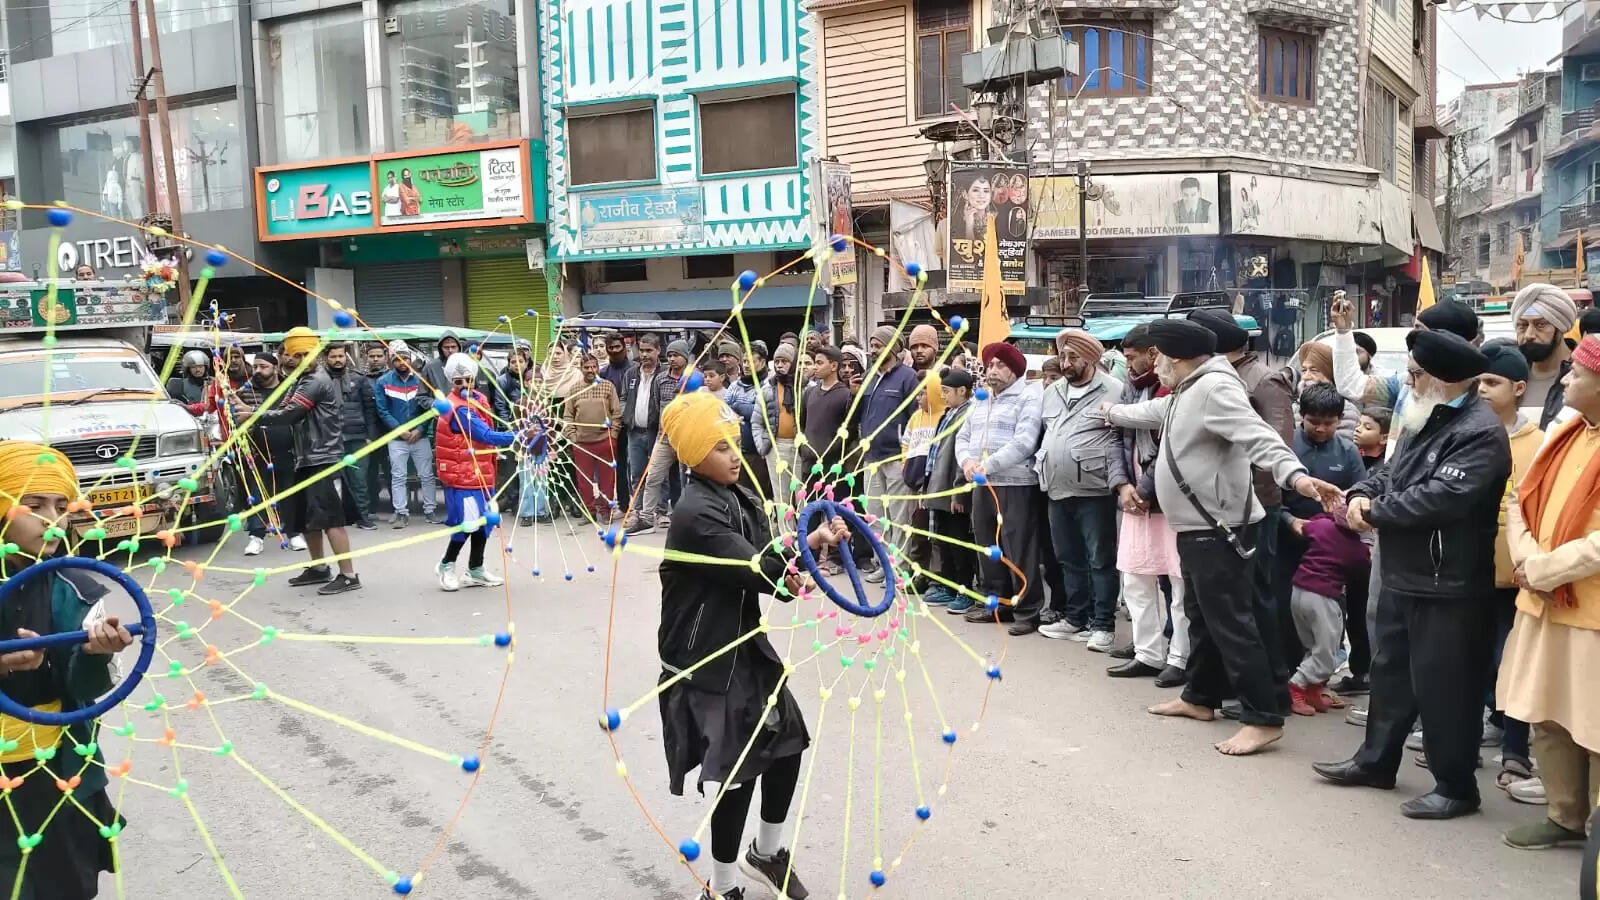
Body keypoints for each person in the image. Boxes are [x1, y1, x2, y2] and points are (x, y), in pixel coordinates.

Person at [1105, 319, 1342, 756]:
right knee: (1203, 617)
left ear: (1176, 358)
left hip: (1221, 528)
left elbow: (1260, 438)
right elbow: (1150, 413)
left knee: (1232, 623)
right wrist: (1109, 409)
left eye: (1157, 356)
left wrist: (1299, 478)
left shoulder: (1216, 389)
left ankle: (1263, 717)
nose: (1153, 364)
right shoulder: (1187, 391)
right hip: (1199, 527)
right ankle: (1200, 697)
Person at [655, 390, 849, 900]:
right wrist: (805, 549)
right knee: (738, 773)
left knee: (787, 746)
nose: (735, 457)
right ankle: (720, 890)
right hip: (705, 659)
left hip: (743, 643)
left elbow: (775, 571)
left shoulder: (737, 495)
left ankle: (766, 853)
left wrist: (816, 543)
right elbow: (759, 568)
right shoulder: (694, 512)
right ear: (695, 456)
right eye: (721, 448)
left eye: (735, 444)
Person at [1314, 329, 1510, 818]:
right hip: (1407, 571)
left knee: (1445, 686)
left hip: (1450, 583)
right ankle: (1375, 762)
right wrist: (1361, 490)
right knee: (1392, 674)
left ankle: (1455, 786)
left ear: (1442, 379)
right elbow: (1393, 472)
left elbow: (1440, 498)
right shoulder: (1429, 417)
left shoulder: (1479, 431)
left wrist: (1373, 511)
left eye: (1415, 374)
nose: (1407, 381)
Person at [0, 441, 135, 898]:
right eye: (32, 505)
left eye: (61, 505)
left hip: (59, 768)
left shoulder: (75, 590)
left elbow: (83, 691)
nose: (50, 518)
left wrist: (95, 655)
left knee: (64, 879)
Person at [1498, 333, 1600, 850]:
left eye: (1576, 375)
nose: (1565, 380)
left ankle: (1596, 835)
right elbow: (1521, 498)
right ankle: (1564, 816)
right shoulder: (1566, 432)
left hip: (1591, 611)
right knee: (1548, 712)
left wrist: (1543, 568)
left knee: (1596, 723)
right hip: (1542, 599)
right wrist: (1528, 559)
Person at [1097, 324, 1189, 684]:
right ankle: (1148, 652)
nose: (1128, 364)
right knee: (1137, 578)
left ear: (1155, 354)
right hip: (1133, 498)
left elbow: (1170, 446)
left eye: (1132, 357)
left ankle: (1180, 657)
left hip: (1168, 500)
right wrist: (1122, 486)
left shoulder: (1173, 389)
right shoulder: (1129, 388)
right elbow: (1115, 436)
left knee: (1179, 584)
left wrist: (1145, 490)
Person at [246, 327, 363, 594]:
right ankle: (319, 567)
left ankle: (348, 575)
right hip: (304, 458)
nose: (292, 360)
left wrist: (251, 414)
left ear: (310, 354)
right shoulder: (299, 380)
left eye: (298, 355)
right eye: (289, 355)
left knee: (332, 519)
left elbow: (288, 414)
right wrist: (251, 409)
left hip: (323, 458)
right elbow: (281, 406)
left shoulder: (315, 382)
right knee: (306, 519)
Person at [1476, 341, 1543, 794]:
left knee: (1512, 662)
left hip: (1517, 580)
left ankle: (1516, 753)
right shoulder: (1466, 432)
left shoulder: (1541, 445)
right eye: (1479, 380)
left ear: (1519, 388)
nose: (1482, 389)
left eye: (1492, 382)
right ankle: (1483, 724)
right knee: (1475, 660)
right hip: (1466, 572)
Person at [1036, 329, 1122, 650]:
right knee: (1068, 558)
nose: (1066, 363)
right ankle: (1075, 619)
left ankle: (1103, 625)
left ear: (1091, 358)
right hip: (1056, 488)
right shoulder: (1052, 391)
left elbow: (1120, 441)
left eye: (1073, 357)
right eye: (1063, 356)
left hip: (1094, 490)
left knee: (1100, 560)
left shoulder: (1113, 390)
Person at [1274, 383, 1365, 684]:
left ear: (1340, 420)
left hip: (1330, 551)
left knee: (1328, 617)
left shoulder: (1348, 452)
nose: (1322, 429)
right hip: (1287, 540)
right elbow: (1270, 498)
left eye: (1329, 423)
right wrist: (1290, 521)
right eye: (1315, 423)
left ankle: (1317, 681)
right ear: (1302, 416)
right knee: (1286, 609)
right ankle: (1289, 675)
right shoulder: (1286, 447)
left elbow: (1359, 494)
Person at [955, 342, 1046, 635]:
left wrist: (988, 465)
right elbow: (963, 436)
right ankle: (997, 603)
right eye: (989, 365)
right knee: (988, 546)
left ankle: (1027, 610)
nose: (992, 370)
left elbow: (1024, 442)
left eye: (999, 365)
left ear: (1015, 370)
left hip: (1015, 484)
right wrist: (967, 462)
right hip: (983, 485)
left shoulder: (1028, 397)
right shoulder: (982, 400)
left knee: (1019, 547)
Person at [432, 354, 516, 591]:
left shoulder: (478, 398)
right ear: (451, 382)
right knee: (466, 525)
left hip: (481, 471)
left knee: (484, 524)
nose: (464, 385)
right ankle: (446, 565)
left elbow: (489, 431)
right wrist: (520, 435)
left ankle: (476, 569)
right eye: (458, 381)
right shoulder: (458, 408)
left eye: (468, 379)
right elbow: (486, 435)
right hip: (463, 476)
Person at [1330, 293, 1480, 414]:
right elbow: (1352, 385)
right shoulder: (1404, 385)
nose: (1412, 337)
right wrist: (1343, 331)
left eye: (1419, 330)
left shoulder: (1474, 409)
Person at [1287, 499, 1370, 715]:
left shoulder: (1322, 525)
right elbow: (1361, 575)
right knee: (1327, 650)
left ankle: (1312, 690)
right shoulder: (1358, 551)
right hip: (1323, 597)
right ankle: (1295, 686)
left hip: (1298, 591)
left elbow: (1305, 528)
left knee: (1311, 645)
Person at [859, 326, 921, 583]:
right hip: (871, 458)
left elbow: (914, 418)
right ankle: (882, 564)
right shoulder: (870, 377)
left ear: (893, 348)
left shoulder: (908, 377)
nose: (874, 350)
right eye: (872, 345)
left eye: (879, 345)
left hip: (896, 458)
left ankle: (898, 569)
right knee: (874, 516)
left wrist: (908, 453)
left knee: (898, 517)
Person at [236, 352, 304, 556]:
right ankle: (256, 537)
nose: (258, 370)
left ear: (275, 367)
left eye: (263, 366)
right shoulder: (245, 391)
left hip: (288, 450)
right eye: (255, 366)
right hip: (257, 453)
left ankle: (294, 533)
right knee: (257, 494)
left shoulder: (290, 388)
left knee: (290, 493)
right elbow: (238, 419)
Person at [925, 368, 978, 612]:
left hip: (953, 489)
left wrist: (960, 491)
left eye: (947, 391)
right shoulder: (949, 413)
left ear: (962, 391)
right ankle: (947, 585)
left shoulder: (969, 414)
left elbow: (964, 456)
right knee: (943, 542)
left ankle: (964, 590)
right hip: (939, 487)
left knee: (959, 543)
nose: (943, 396)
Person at [798, 346, 854, 575]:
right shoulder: (809, 393)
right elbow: (802, 425)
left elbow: (850, 430)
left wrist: (833, 452)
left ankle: (837, 558)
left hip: (833, 464)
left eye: (819, 362)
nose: (815, 367)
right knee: (809, 512)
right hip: (810, 463)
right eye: (814, 363)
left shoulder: (845, 394)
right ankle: (808, 557)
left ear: (834, 366)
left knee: (835, 512)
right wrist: (804, 449)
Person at [374, 342, 438, 527]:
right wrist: (400, 431)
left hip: (421, 437)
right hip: (397, 438)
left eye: (406, 358)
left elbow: (428, 408)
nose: (403, 362)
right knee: (398, 476)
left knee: (426, 475)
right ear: (392, 361)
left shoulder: (421, 380)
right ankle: (401, 512)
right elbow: (382, 411)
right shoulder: (383, 381)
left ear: (411, 360)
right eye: (398, 358)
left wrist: (420, 429)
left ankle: (430, 510)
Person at [632, 341, 690, 534]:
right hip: (665, 438)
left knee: (687, 481)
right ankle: (647, 518)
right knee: (653, 477)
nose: (672, 359)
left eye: (677, 355)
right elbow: (657, 407)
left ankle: (686, 518)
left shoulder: (694, 378)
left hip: (688, 440)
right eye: (670, 355)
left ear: (686, 356)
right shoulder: (661, 379)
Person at [325, 343, 381, 530]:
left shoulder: (359, 379)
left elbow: (370, 409)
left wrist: (370, 436)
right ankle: (335, 518)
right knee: (332, 481)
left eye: (340, 356)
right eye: (333, 357)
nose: (337, 360)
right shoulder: (320, 380)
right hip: (330, 439)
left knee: (359, 480)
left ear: (346, 357)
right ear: (326, 358)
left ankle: (362, 516)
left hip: (358, 437)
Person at [565, 350, 622, 523]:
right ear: (581, 369)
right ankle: (588, 512)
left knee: (607, 480)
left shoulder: (607, 386)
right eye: (586, 367)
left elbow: (616, 413)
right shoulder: (574, 389)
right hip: (582, 443)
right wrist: (572, 436)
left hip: (605, 441)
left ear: (598, 367)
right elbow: (568, 416)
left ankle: (605, 511)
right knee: (584, 481)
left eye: (594, 366)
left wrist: (613, 435)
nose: (591, 370)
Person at [1510, 283, 1577, 428]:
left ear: (1560, 328)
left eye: (1540, 325)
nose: (1529, 335)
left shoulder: (1588, 377)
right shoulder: (1506, 374)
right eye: (1522, 325)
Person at [622, 334, 672, 518]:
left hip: (656, 432)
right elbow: (623, 398)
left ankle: (660, 511)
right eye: (642, 350)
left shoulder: (664, 374)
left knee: (659, 474)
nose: (644, 354)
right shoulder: (631, 373)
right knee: (636, 473)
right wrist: (626, 417)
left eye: (649, 350)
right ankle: (637, 510)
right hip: (634, 432)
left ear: (658, 351)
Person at [759, 342, 801, 495]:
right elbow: (757, 421)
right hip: (776, 446)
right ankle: (784, 521)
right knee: (781, 497)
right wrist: (762, 446)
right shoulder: (767, 388)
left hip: (799, 448)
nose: (780, 365)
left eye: (784, 361)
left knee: (801, 494)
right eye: (777, 361)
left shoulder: (805, 387)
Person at [599, 332, 634, 492]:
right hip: (612, 426)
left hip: (634, 425)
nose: (614, 350)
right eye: (610, 347)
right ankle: (623, 503)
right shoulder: (603, 373)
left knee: (636, 465)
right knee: (618, 466)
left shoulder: (636, 370)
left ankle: (639, 504)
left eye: (617, 347)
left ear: (624, 348)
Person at [1354, 406, 1391, 471]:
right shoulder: (1350, 453)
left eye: (1367, 427)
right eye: (1359, 424)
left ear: (1384, 438)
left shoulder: (1384, 468)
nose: (1357, 429)